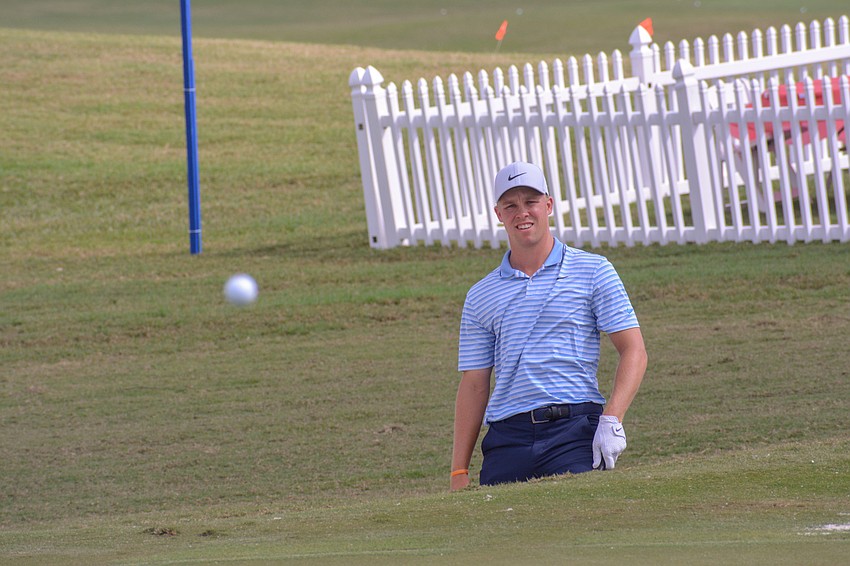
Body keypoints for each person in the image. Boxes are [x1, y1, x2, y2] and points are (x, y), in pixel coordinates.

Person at [450, 161, 647, 491]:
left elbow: (634, 350)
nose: (522, 213)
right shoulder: (480, 295)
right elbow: (474, 383)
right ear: (499, 214)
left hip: (573, 431)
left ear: (549, 205)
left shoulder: (593, 270)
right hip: (506, 437)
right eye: (510, 205)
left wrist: (612, 419)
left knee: (576, 527)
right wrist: (459, 471)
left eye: (531, 202)